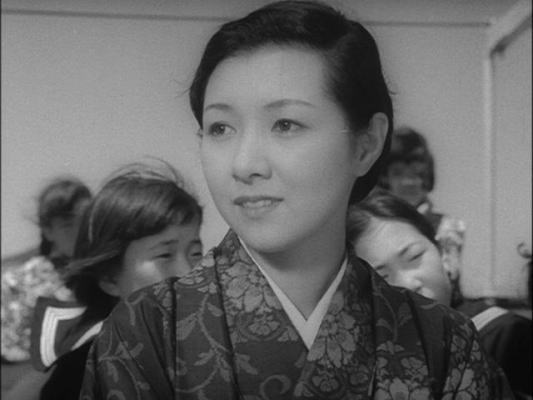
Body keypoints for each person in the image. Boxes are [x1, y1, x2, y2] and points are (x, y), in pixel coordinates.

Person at [80, 1, 513, 399]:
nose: (244, 164)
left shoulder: (444, 342)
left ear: (366, 143)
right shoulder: (146, 331)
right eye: (220, 128)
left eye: (285, 124)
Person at [30, 163, 204, 400]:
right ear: (110, 278)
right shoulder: (80, 375)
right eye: (165, 255)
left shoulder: (218, 345)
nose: (188, 272)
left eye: (195, 253)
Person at [348, 191, 532, 399]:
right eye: (381, 276)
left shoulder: (504, 336)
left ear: (443, 253)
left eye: (414, 256)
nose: (408, 284)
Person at [1, 177, 91, 397]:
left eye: (87, 221)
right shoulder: (18, 283)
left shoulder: (110, 277)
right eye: (68, 225)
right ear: (48, 230)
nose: (81, 232)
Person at [378, 126, 466, 306]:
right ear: (385, 178)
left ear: (427, 176)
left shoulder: (448, 227)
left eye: (417, 174)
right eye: (398, 173)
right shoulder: (374, 228)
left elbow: (449, 278)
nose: (408, 182)